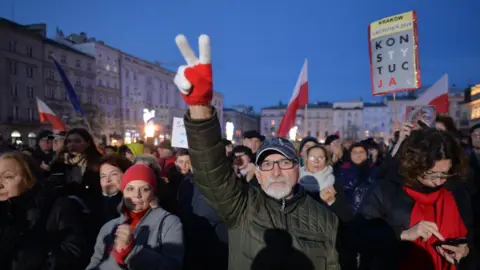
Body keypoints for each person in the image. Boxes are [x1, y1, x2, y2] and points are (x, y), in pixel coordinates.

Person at [173, 34, 339, 269]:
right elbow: (211, 172)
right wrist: (200, 107)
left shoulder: (325, 218)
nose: (276, 170)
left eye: (284, 163)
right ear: (258, 174)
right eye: (267, 165)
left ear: (297, 170)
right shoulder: (242, 206)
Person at [358, 128, 475, 269]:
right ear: (415, 165)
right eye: (431, 174)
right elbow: (359, 234)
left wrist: (466, 250)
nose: (438, 181)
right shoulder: (386, 189)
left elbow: (473, 235)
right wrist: (402, 234)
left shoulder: (457, 191)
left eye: (444, 174)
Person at [86, 164, 184, 270]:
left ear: (153, 193)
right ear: (123, 192)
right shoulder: (109, 227)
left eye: (144, 189)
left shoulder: (169, 223)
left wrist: (131, 251)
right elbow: (95, 263)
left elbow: (172, 266)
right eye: (130, 188)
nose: (137, 195)